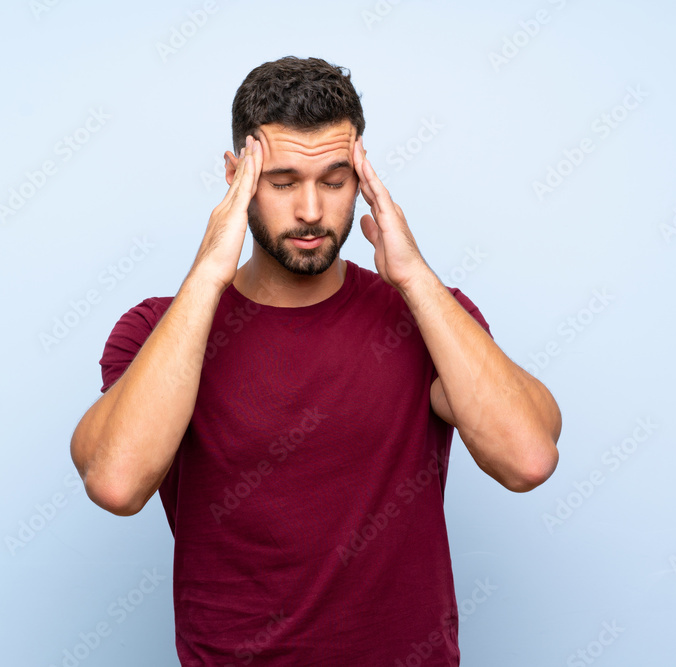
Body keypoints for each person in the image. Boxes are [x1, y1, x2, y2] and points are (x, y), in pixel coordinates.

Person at [70, 56, 562, 666]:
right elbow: (116, 483)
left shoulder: (427, 317)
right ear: (235, 177)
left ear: (363, 177)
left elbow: (530, 457)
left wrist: (412, 275)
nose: (310, 211)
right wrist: (207, 275)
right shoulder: (156, 329)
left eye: (334, 181)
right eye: (281, 182)